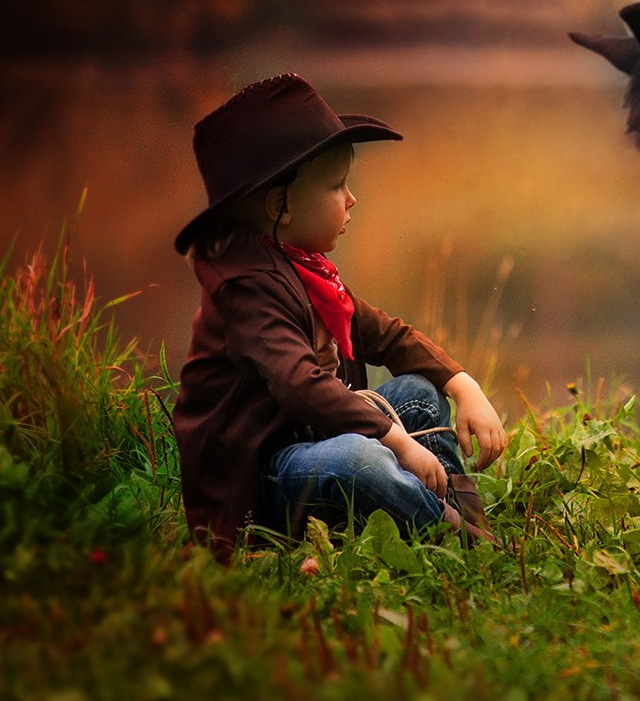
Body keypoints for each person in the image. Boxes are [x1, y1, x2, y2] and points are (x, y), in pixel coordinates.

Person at [169, 73, 508, 551]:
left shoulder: (305, 270)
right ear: (280, 205)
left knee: (417, 392)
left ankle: (453, 507)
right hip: (260, 487)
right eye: (336, 186)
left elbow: (385, 335)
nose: (351, 200)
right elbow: (301, 384)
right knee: (360, 460)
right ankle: (452, 536)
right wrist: (399, 442)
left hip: (313, 443)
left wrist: (463, 385)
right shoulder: (245, 289)